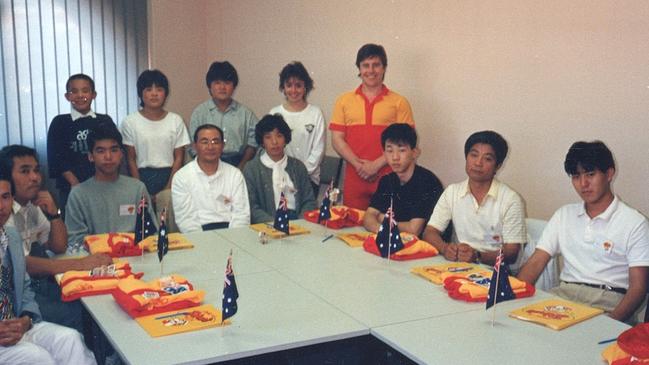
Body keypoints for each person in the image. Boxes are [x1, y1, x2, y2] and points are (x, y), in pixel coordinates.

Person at [518, 141, 649, 324]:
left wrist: (610, 324)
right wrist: (513, 297)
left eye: (590, 174)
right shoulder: (564, 214)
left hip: (609, 303)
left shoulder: (634, 222)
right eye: (576, 176)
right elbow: (536, 263)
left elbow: (638, 287)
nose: (583, 183)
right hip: (563, 298)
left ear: (609, 174)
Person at [0, 145, 112, 330]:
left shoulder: (31, 206)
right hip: (18, 297)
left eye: (36, 170)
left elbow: (58, 246)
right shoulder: (4, 215)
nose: (35, 177)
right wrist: (81, 263)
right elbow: (23, 264)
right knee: (80, 312)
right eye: (25, 171)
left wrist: (54, 214)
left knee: (92, 299)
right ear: (7, 179)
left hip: (38, 286)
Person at [0, 173, 97, 365]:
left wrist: (26, 320)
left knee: (71, 340)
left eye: (5, 197)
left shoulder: (10, 236)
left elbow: (25, 289)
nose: (0, 205)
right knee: (38, 358)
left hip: (17, 325)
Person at [329, 43, 414, 210]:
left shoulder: (399, 102)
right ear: (359, 69)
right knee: (352, 230)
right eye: (365, 65)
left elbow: (406, 143)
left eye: (376, 65)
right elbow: (337, 139)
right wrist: (360, 166)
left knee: (386, 228)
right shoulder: (344, 100)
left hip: (388, 176)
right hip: (354, 177)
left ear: (384, 68)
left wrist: (375, 166)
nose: (371, 70)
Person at [423, 131, 526, 266]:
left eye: (487, 158)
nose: (478, 163)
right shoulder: (452, 192)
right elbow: (429, 232)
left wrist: (477, 256)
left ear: (498, 166)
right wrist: (445, 248)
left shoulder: (511, 199)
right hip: (460, 266)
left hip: (497, 271)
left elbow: (512, 253)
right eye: (474, 155)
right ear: (466, 158)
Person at [65, 123, 156, 251]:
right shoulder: (78, 194)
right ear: (91, 156)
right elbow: (75, 242)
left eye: (114, 150)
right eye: (101, 151)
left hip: (135, 256)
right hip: (97, 261)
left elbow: (151, 234)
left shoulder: (137, 188)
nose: (108, 157)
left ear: (121, 154)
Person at [47, 73, 116, 214]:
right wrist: (74, 183)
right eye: (74, 91)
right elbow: (56, 158)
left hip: (103, 185)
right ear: (67, 96)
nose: (80, 95)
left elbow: (115, 151)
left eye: (85, 90)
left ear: (93, 94)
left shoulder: (104, 120)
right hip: (71, 188)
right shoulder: (60, 122)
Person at [363, 124, 444, 238]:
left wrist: (382, 219)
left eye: (401, 150)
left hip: (424, 247)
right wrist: (382, 230)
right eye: (389, 151)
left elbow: (414, 229)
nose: (395, 157)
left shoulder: (427, 181)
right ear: (384, 154)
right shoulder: (387, 180)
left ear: (414, 153)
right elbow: (368, 217)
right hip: (394, 241)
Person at [120, 69, 190, 198]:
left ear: (166, 93)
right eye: (148, 89)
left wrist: (169, 187)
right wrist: (139, 187)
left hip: (170, 176)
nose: (154, 94)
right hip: (140, 177)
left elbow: (179, 158)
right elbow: (130, 158)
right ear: (140, 93)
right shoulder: (130, 122)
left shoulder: (176, 120)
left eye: (159, 89)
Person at [172, 125, 250, 232]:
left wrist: (234, 238)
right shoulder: (182, 177)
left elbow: (241, 214)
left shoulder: (235, 174)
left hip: (232, 232)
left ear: (223, 146)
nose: (210, 147)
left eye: (215, 142)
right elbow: (186, 219)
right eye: (204, 142)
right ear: (195, 146)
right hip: (198, 234)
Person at [243, 114, 316, 224]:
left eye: (279, 136)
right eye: (268, 137)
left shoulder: (298, 166)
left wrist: (300, 223)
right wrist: (275, 223)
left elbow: (309, 201)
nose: (274, 142)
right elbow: (251, 207)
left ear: (286, 138)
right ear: (262, 141)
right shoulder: (252, 168)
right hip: (268, 223)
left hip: (298, 221)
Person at [269, 62, 325, 195]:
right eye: (289, 85)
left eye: (298, 85)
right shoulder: (274, 113)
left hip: (308, 179)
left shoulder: (316, 113)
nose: (293, 90)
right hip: (279, 177)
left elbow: (319, 149)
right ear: (283, 87)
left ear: (305, 87)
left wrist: (300, 173)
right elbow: (269, 148)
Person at [189, 61, 258, 169]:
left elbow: (253, 144)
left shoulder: (246, 114)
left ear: (234, 86)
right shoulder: (199, 113)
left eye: (227, 82)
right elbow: (193, 146)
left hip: (239, 164)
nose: (222, 87)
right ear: (209, 86)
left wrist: (241, 166)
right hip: (206, 164)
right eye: (217, 82)